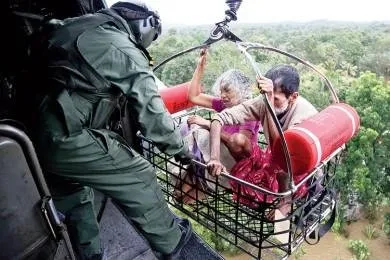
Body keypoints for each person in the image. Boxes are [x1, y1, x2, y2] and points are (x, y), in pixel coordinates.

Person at [32, 1, 192, 259]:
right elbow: (154, 118)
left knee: (75, 194)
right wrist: (182, 151)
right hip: (66, 134)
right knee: (138, 174)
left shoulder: (74, 25)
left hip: (34, 132)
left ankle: (90, 253)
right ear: (147, 26)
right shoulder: (122, 47)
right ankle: (174, 245)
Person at [207, 65, 318, 205]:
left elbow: (283, 154)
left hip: (296, 167)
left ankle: (285, 202)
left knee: (280, 177)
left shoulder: (304, 115)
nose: (269, 101)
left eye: (276, 99)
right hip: (273, 157)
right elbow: (219, 119)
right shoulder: (265, 101)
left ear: (293, 97)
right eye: (265, 97)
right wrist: (214, 158)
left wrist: (270, 105)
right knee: (238, 143)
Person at [173, 49, 260, 203]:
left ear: (242, 91)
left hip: (231, 163)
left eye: (227, 90)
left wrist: (207, 124)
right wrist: (200, 67)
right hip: (209, 158)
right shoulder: (225, 105)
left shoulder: (249, 113)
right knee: (179, 195)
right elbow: (194, 96)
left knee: (184, 196)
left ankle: (199, 183)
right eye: (221, 91)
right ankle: (192, 178)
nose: (222, 95)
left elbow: (239, 145)